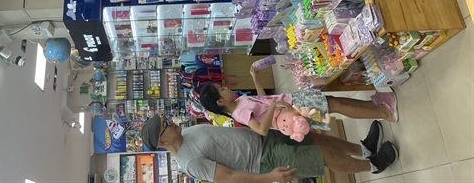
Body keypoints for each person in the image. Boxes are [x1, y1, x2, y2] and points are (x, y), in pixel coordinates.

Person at [141, 114, 398, 183]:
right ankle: (374, 165)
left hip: (264, 138)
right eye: (166, 125)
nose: (172, 123)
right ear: (162, 142)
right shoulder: (189, 162)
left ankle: (364, 149)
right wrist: (269, 177)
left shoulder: (187, 132)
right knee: (323, 156)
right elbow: (228, 177)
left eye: (167, 119)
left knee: (317, 139)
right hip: (264, 160)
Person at [199, 66, 397, 139]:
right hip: (295, 113)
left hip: (294, 102)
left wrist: (256, 79)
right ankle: (384, 113)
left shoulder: (241, 100)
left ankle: (374, 106)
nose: (226, 88)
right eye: (222, 90)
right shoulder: (239, 113)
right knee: (335, 106)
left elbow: (264, 100)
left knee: (332, 101)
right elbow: (261, 130)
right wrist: (274, 107)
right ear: (220, 101)